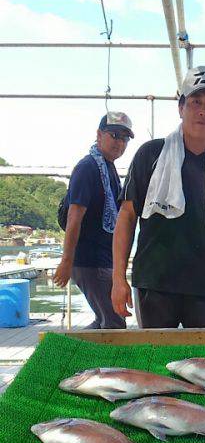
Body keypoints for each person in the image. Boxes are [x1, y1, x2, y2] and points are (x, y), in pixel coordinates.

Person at [111, 66, 205, 328]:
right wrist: (118, 278)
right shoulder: (150, 154)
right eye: (195, 102)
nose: (204, 111)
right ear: (181, 108)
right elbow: (126, 216)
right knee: (156, 361)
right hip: (154, 286)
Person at [54, 111, 134, 329]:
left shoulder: (109, 169)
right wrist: (66, 262)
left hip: (103, 258)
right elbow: (74, 218)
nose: (120, 142)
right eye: (114, 135)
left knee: (103, 320)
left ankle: (77, 354)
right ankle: (103, 362)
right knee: (115, 322)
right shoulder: (87, 168)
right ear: (99, 135)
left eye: (125, 138)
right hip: (90, 261)